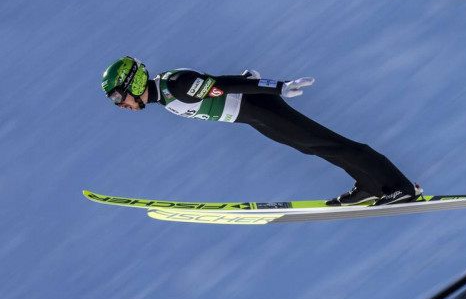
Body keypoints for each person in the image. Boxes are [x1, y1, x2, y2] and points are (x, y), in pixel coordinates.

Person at [100, 56, 420, 206]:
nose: (120, 105)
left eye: (118, 96)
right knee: (314, 147)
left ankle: (399, 186)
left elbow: (223, 85)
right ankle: (370, 184)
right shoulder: (165, 97)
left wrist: (277, 87)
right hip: (253, 117)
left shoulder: (174, 85)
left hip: (258, 107)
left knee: (328, 142)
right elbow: (220, 85)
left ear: (134, 82)